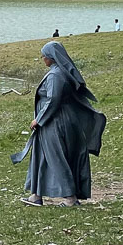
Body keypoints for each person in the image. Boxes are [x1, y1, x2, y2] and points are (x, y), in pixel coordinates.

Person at [19, 42, 105, 208]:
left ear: (51, 57)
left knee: (56, 157)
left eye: (44, 55)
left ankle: (70, 198)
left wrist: (39, 119)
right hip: (57, 122)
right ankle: (36, 195)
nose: (42, 59)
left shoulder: (55, 75)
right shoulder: (62, 72)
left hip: (55, 123)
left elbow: (53, 100)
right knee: (42, 156)